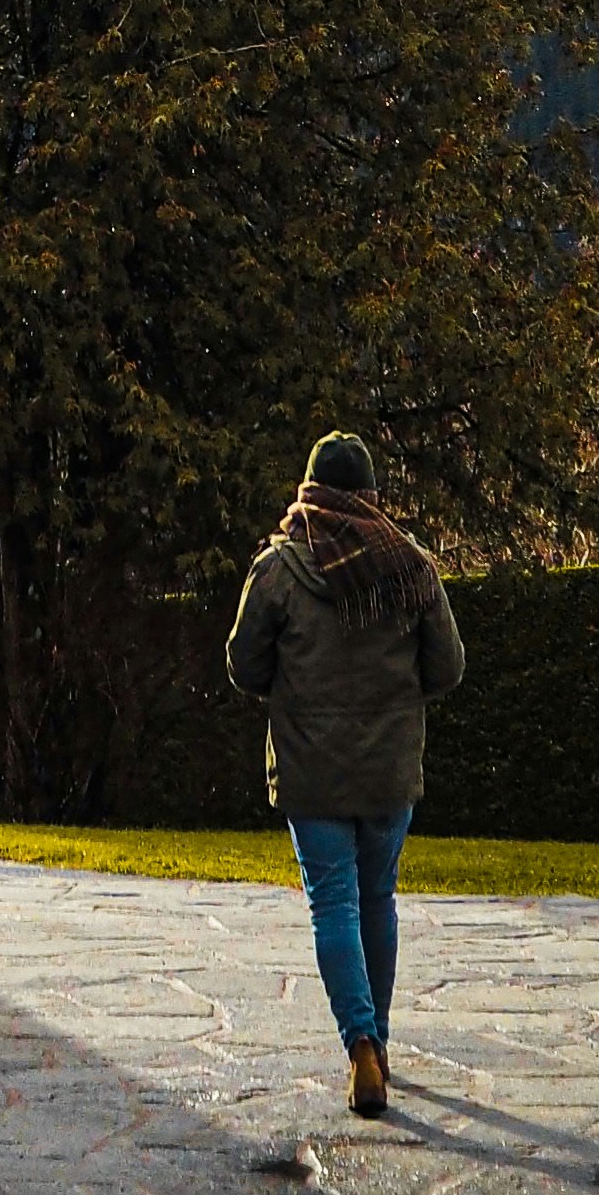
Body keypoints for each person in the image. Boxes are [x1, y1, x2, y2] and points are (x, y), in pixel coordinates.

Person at [225, 430, 464, 1117]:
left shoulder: (277, 569)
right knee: (376, 900)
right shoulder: (409, 565)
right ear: (369, 496)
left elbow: (244, 666)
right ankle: (379, 1043)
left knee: (332, 903)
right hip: (388, 771)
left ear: (308, 492)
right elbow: (446, 668)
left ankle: (359, 1043)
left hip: (311, 768)